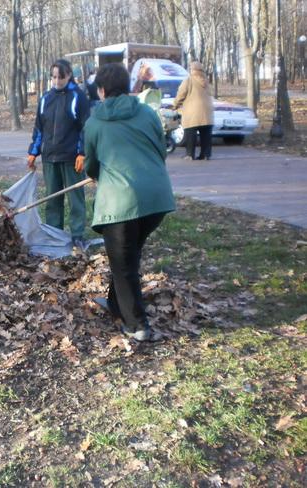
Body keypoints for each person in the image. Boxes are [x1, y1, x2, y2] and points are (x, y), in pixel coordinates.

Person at [83, 63, 175, 342]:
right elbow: (161, 150)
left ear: (101, 90)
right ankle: (115, 304)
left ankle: (137, 326)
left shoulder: (94, 123)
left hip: (121, 204)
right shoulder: (147, 112)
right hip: (156, 199)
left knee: (124, 267)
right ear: (127, 87)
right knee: (127, 258)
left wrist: (97, 174)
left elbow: (91, 165)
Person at [27, 58, 90, 249]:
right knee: (52, 199)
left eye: (60, 77)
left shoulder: (78, 97)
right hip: (50, 158)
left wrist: (82, 153)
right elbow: (39, 128)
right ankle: (54, 233)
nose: (57, 81)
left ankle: (77, 234)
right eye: (53, 77)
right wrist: (33, 152)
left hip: (72, 158)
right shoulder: (45, 98)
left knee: (75, 199)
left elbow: (85, 128)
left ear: (69, 75)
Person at [172, 61, 214, 160]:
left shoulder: (188, 81)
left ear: (192, 70)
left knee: (190, 133)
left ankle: (190, 155)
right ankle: (205, 155)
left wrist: (175, 105)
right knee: (206, 135)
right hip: (208, 112)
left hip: (193, 112)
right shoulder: (206, 82)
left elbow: (181, 95)